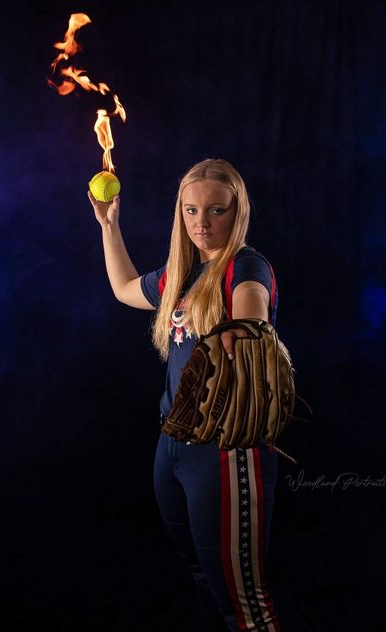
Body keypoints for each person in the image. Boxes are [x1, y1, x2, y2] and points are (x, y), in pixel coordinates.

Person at [88, 158, 282, 631]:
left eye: (216, 211)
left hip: (224, 450)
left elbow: (252, 310)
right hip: (172, 445)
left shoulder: (245, 265)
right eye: (191, 211)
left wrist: (244, 329)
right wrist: (109, 225)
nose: (202, 223)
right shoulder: (182, 274)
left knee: (243, 601)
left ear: (237, 213)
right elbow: (123, 289)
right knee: (200, 577)